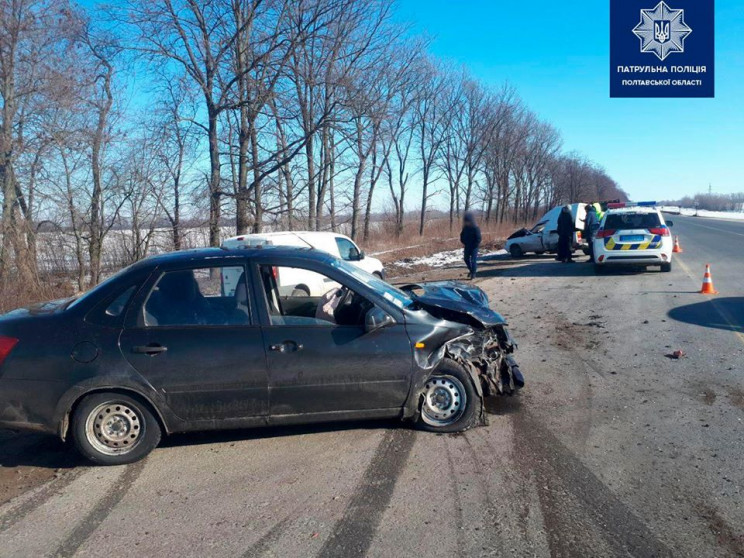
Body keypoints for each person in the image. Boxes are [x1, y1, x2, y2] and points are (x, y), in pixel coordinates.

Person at [460, 211, 481, 279]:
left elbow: (478, 238)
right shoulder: (465, 228)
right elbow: (461, 236)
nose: (466, 222)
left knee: (473, 260)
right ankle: (471, 270)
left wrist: (475, 245)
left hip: (474, 247)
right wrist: (464, 242)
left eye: (467, 221)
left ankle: (473, 274)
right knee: (466, 259)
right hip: (467, 246)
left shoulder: (476, 228)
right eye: (465, 221)